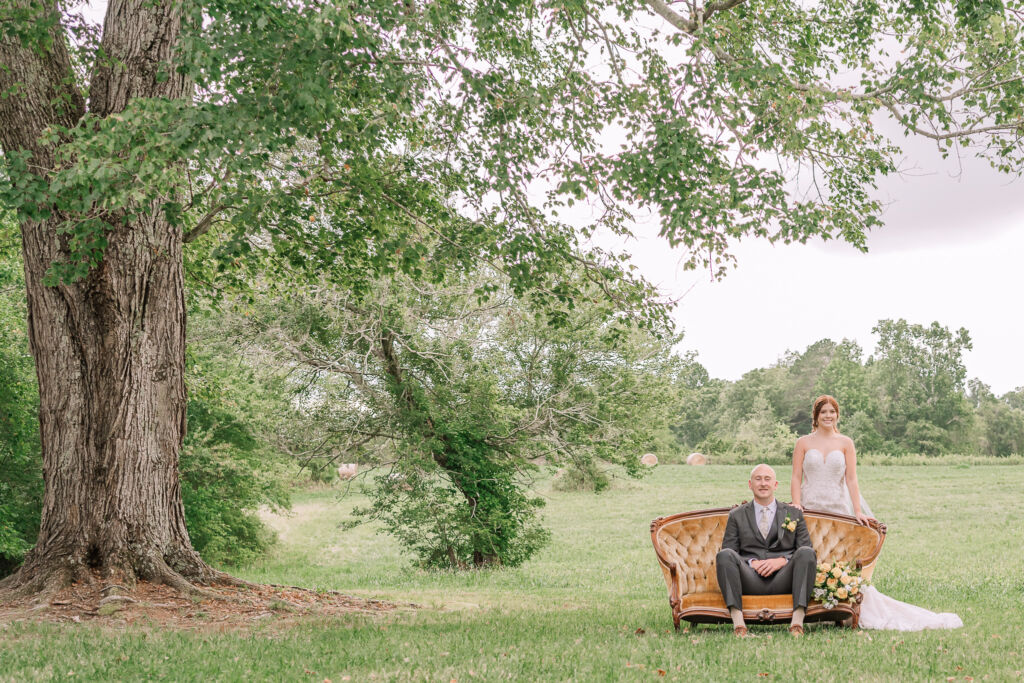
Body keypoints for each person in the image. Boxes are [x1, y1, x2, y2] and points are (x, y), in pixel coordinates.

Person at [790, 394, 963, 631]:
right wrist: (797, 504)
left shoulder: (845, 443)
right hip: (810, 507)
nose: (828, 416)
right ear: (816, 416)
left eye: (832, 412)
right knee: (812, 556)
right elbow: (796, 476)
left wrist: (858, 511)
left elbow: (851, 479)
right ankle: (810, 608)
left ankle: (842, 607)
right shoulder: (803, 443)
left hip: (837, 508)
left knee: (838, 559)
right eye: (824, 412)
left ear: (837, 415)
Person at [715, 464, 817, 638]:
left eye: (767, 479)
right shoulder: (736, 515)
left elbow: (805, 548)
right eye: (758, 479)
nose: (763, 483)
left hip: (783, 578)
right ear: (750, 484)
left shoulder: (794, 514)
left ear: (775, 485)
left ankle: (797, 623)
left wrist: (783, 560)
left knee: (807, 552)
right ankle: (739, 624)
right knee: (724, 555)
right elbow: (730, 550)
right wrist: (751, 563)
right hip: (750, 579)